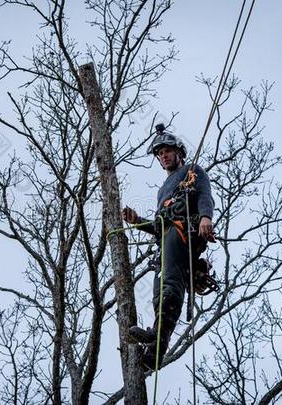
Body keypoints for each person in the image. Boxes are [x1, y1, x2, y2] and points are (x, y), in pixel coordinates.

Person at [122, 124, 215, 370]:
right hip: (167, 238)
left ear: (178, 152)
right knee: (159, 287)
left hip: (186, 232)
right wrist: (137, 221)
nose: (163, 156)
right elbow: (159, 226)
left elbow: (205, 195)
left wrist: (206, 217)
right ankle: (154, 351)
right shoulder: (163, 191)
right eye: (160, 153)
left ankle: (157, 335)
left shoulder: (192, 171)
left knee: (171, 281)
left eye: (167, 151)